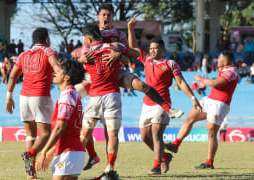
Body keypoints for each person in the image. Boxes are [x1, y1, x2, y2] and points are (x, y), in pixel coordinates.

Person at [71, 3, 165, 171]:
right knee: (71, 97)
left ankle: (109, 166)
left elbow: (131, 56)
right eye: (103, 14)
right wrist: (80, 58)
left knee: (139, 85)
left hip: (115, 75)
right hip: (94, 79)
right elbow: (81, 55)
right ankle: (91, 155)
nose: (106, 17)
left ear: (112, 18)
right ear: (98, 17)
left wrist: (119, 56)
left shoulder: (118, 36)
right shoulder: (90, 35)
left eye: (109, 15)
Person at [128, 16, 202, 175]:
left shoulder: (170, 63)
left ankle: (156, 166)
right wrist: (130, 28)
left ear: (162, 49)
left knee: (156, 133)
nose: (152, 50)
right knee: (144, 137)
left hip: (162, 104)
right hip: (146, 103)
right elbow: (133, 47)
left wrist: (193, 97)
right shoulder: (146, 59)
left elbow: (181, 82)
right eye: (150, 48)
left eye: (155, 48)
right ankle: (164, 156)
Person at [79, 23, 140, 179]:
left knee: (85, 134)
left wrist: (80, 60)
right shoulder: (114, 46)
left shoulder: (87, 54)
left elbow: (76, 63)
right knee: (112, 134)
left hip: (94, 97)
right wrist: (120, 56)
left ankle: (74, 166)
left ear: (88, 38)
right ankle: (110, 168)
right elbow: (134, 56)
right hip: (112, 95)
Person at [165, 51, 239, 169]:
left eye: (219, 58)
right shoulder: (225, 70)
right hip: (209, 100)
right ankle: (175, 145)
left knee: (211, 132)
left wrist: (201, 79)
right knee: (190, 118)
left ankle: (209, 163)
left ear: (225, 61)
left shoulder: (232, 71)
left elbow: (215, 83)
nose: (217, 60)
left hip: (219, 104)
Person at [6, 27, 63, 179]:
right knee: (46, 133)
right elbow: (56, 67)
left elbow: (12, 76)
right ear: (47, 40)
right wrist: (65, 79)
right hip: (40, 96)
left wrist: (9, 97)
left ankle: (30, 173)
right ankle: (30, 153)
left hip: (23, 97)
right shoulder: (48, 51)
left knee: (30, 135)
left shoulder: (23, 54)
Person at [36, 60, 85, 180]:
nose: (54, 73)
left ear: (66, 77)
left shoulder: (67, 96)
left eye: (59, 71)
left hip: (68, 152)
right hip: (72, 152)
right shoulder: (73, 94)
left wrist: (44, 151)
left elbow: (60, 127)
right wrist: (51, 151)